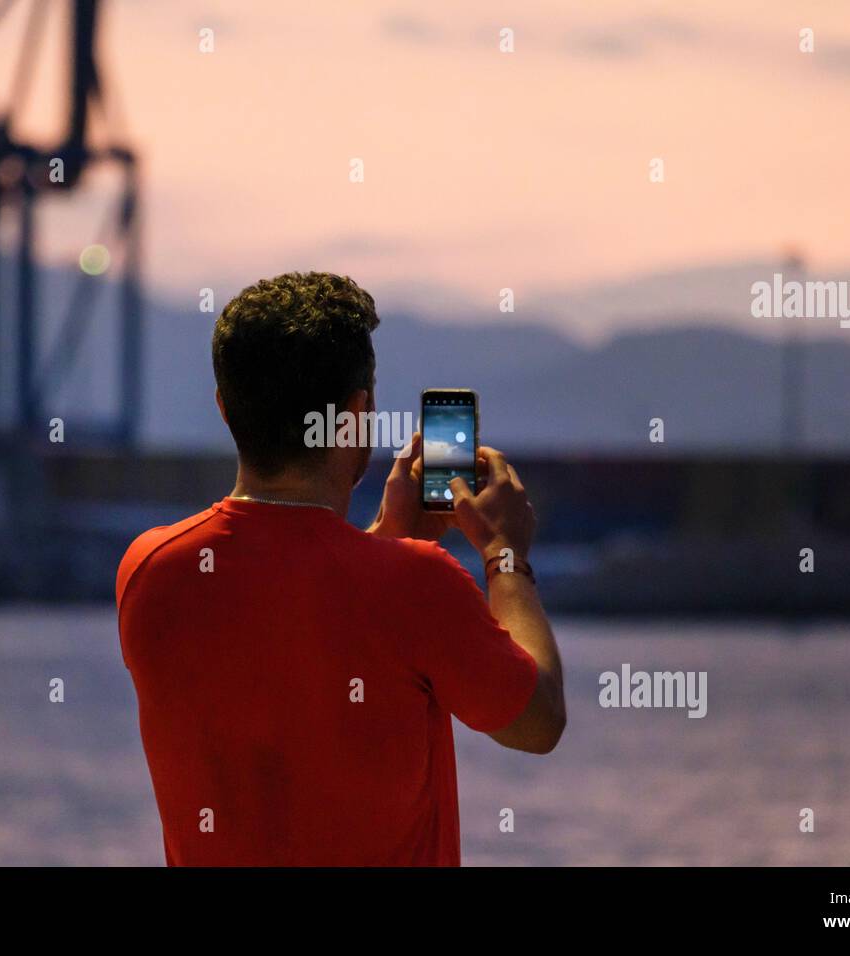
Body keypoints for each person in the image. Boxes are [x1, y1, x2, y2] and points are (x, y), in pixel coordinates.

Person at [116, 272, 565, 865]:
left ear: (225, 409)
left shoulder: (150, 568)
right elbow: (537, 721)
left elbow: (292, 613)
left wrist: (385, 541)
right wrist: (505, 555)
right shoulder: (416, 585)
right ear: (358, 413)